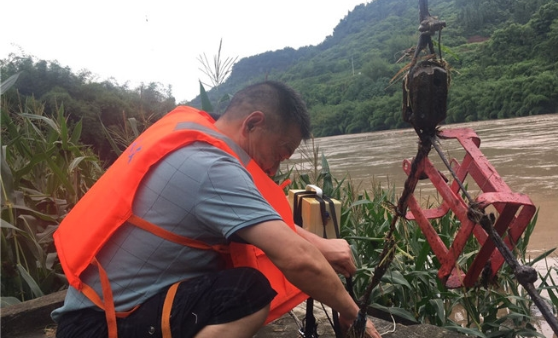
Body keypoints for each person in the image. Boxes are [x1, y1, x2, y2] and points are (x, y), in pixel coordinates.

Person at [52, 81, 381, 338]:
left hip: (95, 315)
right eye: (283, 150)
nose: (279, 165)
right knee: (246, 293)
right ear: (253, 124)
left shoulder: (193, 139)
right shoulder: (212, 167)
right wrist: (353, 313)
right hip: (100, 328)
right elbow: (297, 258)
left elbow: (261, 221)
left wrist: (322, 245)